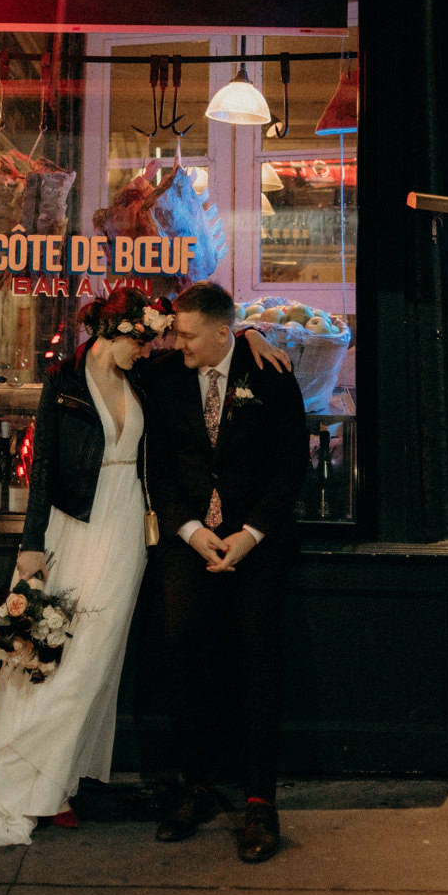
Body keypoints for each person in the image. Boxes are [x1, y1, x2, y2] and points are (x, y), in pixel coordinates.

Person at [0, 288, 288, 859]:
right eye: (147, 340)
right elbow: (47, 464)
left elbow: (275, 444)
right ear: (115, 333)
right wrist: (31, 544)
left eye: (167, 340)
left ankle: (72, 783)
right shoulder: (84, 380)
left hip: (147, 531)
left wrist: (248, 333)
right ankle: (35, 781)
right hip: (100, 525)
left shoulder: (174, 370)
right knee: (64, 658)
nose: (159, 349)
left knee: (110, 660)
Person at [147, 278, 310, 863]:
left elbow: (293, 465)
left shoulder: (271, 375)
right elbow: (157, 469)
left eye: (188, 334)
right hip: (187, 544)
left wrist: (249, 534)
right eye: (173, 331)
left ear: (223, 334)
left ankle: (260, 803)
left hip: (256, 546)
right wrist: (191, 532)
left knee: (257, 666)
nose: (177, 342)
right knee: (183, 654)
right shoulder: (163, 376)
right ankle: (196, 788)